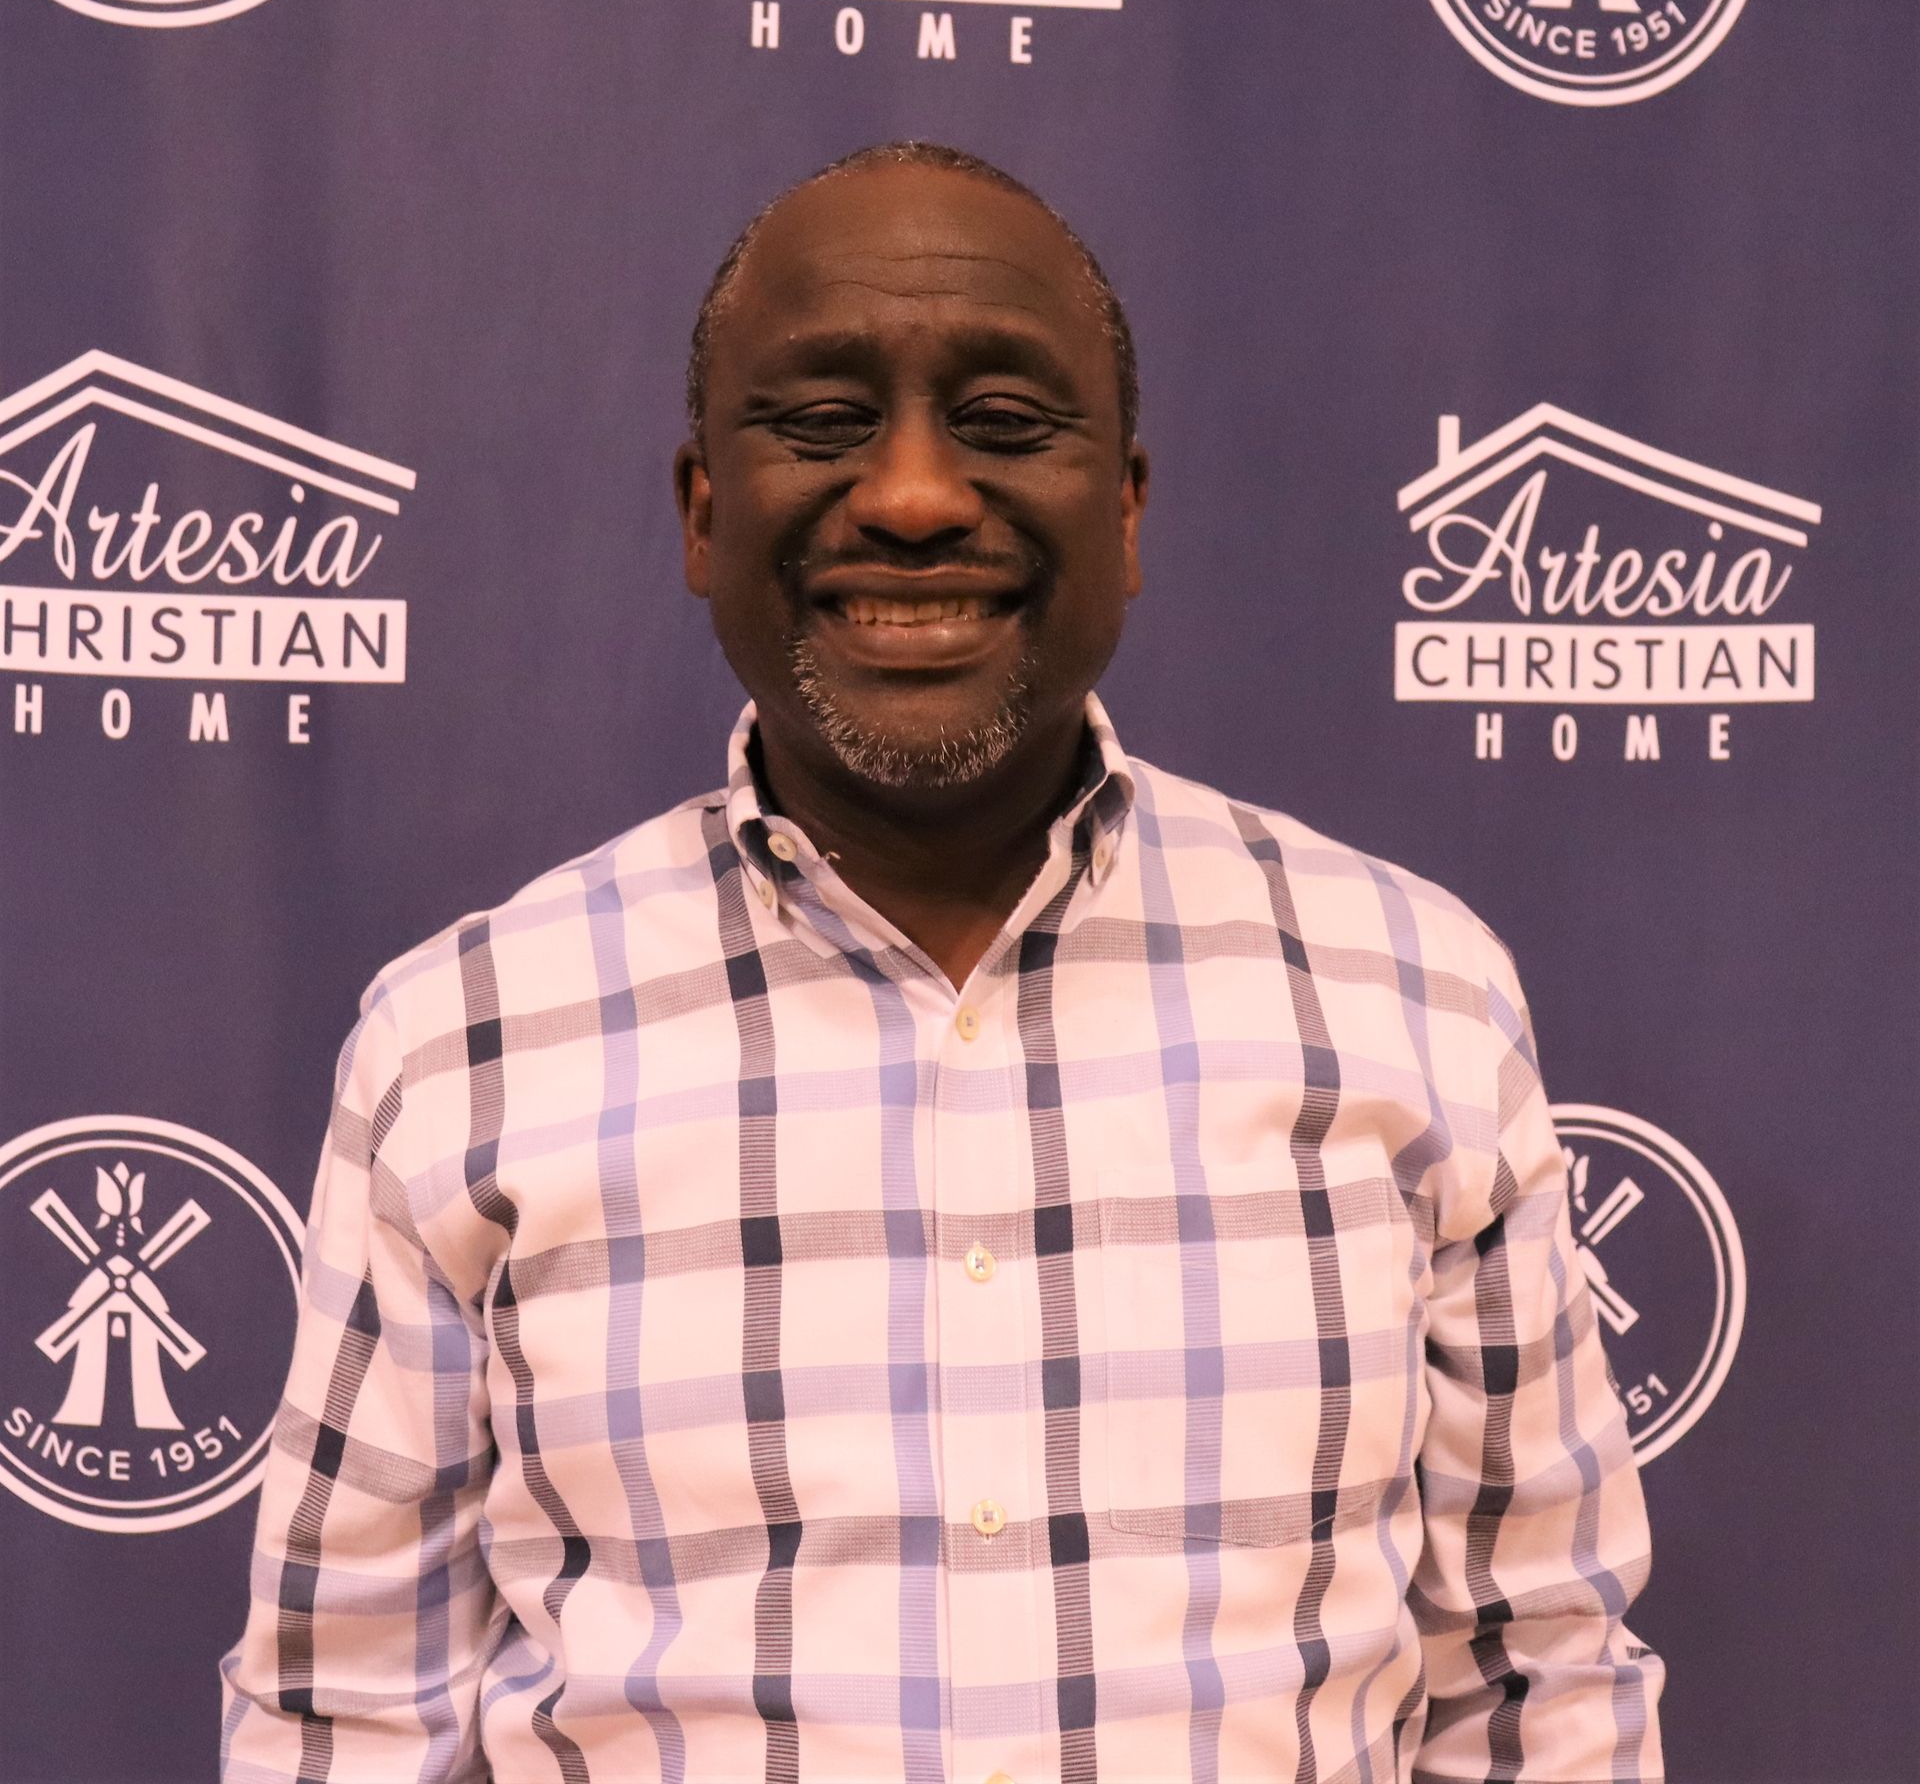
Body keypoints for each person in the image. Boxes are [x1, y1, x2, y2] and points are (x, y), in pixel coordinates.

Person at [219, 142, 1664, 1783]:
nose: (911, 497)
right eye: (823, 424)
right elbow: (345, 1725)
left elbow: (1539, 1678)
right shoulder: (462, 1044)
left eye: (1002, 423)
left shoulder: (1412, 998)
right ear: (705, 512)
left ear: (1124, 509)